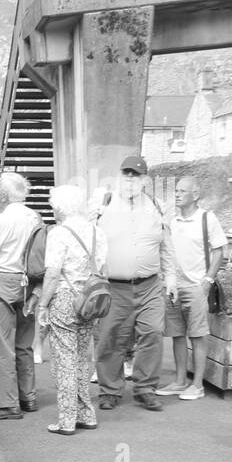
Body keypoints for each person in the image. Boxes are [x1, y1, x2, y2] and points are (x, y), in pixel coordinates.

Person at [94, 155, 175, 412]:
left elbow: (167, 246)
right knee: (111, 337)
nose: (130, 179)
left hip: (149, 285)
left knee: (152, 332)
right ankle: (109, 390)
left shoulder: (156, 206)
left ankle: (145, 389)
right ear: (119, 176)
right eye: (126, 174)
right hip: (114, 286)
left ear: (145, 180)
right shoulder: (103, 203)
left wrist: (171, 277)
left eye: (136, 175)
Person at [37, 185, 106, 434]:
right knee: (80, 358)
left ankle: (67, 419)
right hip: (90, 299)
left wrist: (43, 305)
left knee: (64, 360)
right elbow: (102, 268)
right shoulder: (97, 232)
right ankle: (86, 413)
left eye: (53, 205)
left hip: (65, 298)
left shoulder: (59, 233)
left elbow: (53, 273)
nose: (52, 209)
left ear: (61, 207)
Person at [0, 172, 42, 420]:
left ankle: (8, 404)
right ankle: (28, 397)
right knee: (24, 344)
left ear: (2, 195)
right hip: (28, 282)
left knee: (0, 346)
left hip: (2, 280)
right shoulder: (35, 217)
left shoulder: (3, 220)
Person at [157, 176, 226, 400]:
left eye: (182, 191)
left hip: (196, 285)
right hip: (173, 286)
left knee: (198, 336)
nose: (177, 194)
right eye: (176, 191)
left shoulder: (207, 219)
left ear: (195, 195)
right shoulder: (172, 220)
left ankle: (197, 385)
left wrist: (208, 280)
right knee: (176, 335)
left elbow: (219, 251)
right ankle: (179, 381)